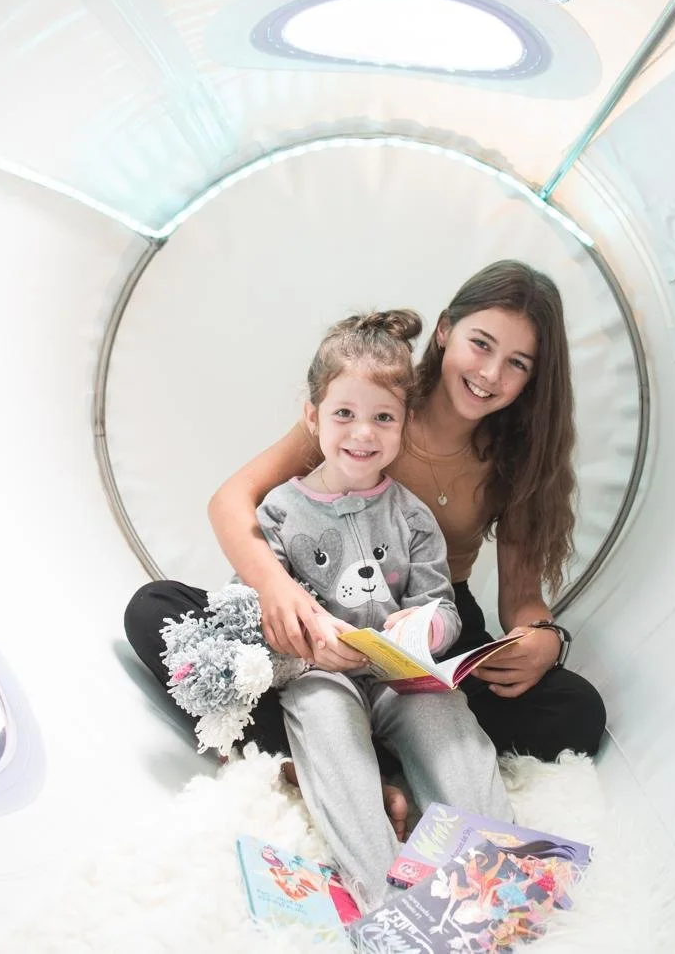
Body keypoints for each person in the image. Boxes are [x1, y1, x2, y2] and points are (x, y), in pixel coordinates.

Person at [124, 260, 606, 830]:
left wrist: (544, 638)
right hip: (319, 615)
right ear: (446, 330)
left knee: (576, 711)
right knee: (157, 612)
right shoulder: (374, 406)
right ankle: (361, 766)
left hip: (430, 623)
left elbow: (521, 599)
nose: (491, 373)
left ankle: (369, 756)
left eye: (517, 363)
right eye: (481, 344)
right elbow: (231, 500)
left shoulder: (515, 457)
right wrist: (279, 592)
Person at [242, 308, 512, 909]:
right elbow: (254, 618)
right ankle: (385, 900)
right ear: (312, 418)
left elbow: (441, 605)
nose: (363, 434)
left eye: (382, 418)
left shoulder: (412, 515)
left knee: (446, 719)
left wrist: (427, 626)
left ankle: (498, 878)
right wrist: (309, 637)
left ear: (403, 424)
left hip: (399, 678)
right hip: (321, 677)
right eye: (344, 414)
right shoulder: (280, 513)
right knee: (329, 728)